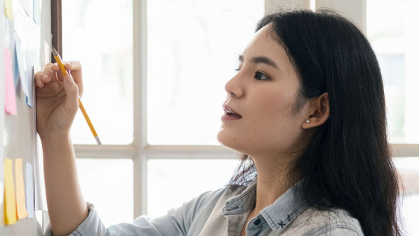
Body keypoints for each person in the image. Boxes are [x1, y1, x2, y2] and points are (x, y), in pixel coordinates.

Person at [35, 8, 402, 236]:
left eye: (260, 75)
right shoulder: (214, 209)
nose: (231, 85)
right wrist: (55, 135)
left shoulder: (329, 233)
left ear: (316, 111)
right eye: (239, 66)